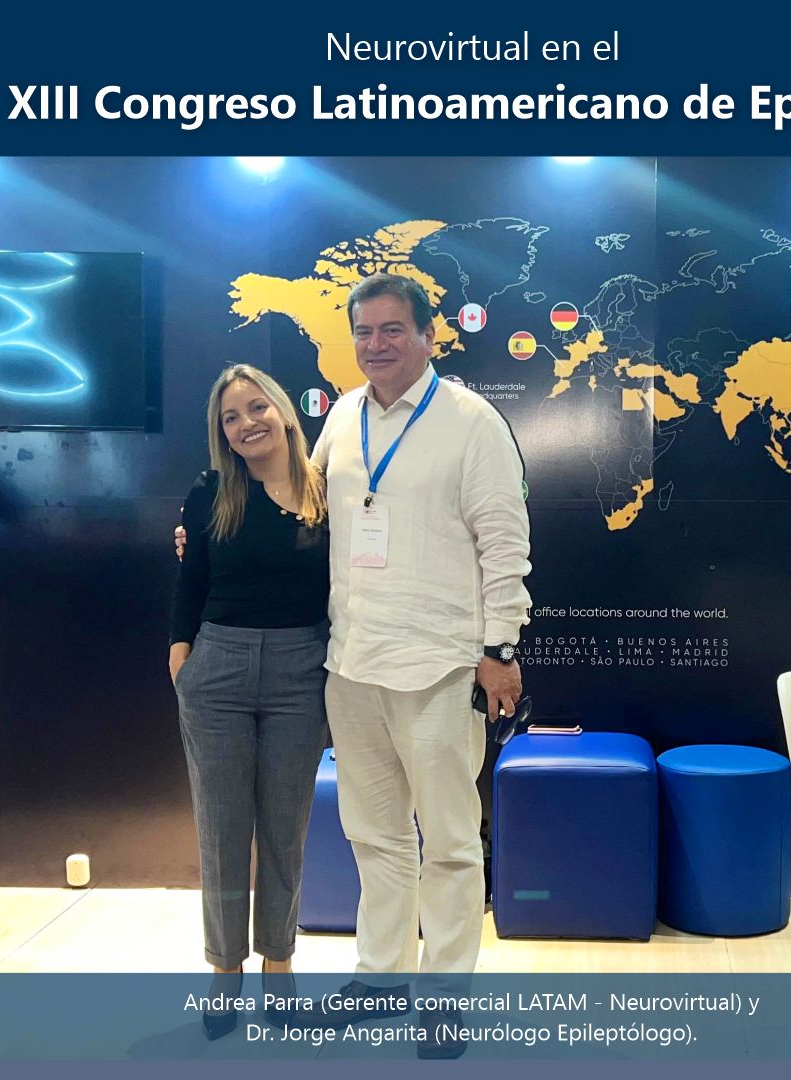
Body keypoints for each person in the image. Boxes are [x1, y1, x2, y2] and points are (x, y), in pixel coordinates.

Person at [176, 277, 531, 1057]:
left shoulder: (472, 422)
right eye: (364, 331)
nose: (376, 344)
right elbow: (294, 502)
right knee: (375, 837)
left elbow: (506, 545)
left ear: (429, 335)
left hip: (441, 667)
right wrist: (199, 534)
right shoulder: (341, 416)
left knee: (450, 844)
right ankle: (380, 979)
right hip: (350, 665)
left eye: (393, 329)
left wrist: (500, 649)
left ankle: (444, 1002)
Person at [169, 363, 329, 1040]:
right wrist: (182, 656)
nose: (246, 424)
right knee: (222, 830)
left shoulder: (328, 491)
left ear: (283, 411)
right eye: (230, 418)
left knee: (286, 830)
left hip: (302, 671)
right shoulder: (211, 493)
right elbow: (191, 583)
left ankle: (279, 961)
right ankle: (225, 966)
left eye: (256, 407)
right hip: (219, 670)